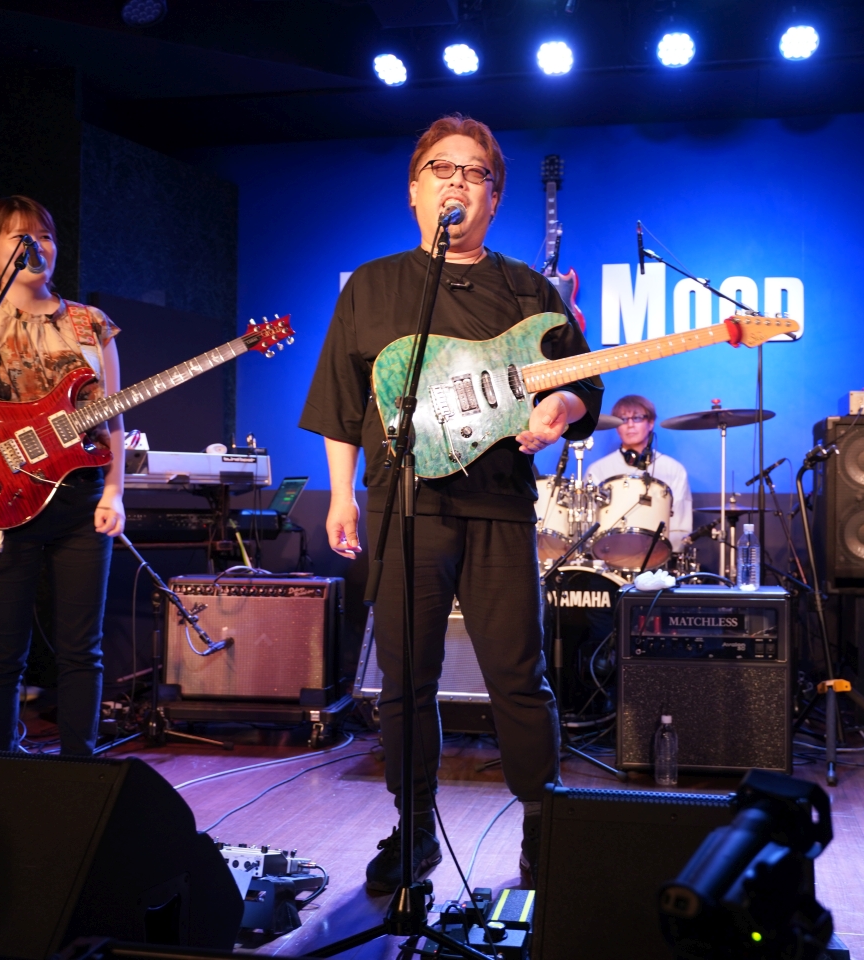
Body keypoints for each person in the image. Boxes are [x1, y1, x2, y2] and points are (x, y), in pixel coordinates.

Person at [300, 115, 603, 893]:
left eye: (475, 172)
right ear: (414, 189)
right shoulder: (372, 286)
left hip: (500, 504)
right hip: (402, 505)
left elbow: (584, 384)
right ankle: (414, 830)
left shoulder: (531, 290)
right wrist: (341, 495)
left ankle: (543, 824)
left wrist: (560, 409)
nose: (457, 181)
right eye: (442, 168)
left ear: (494, 197)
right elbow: (341, 401)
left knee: (519, 676)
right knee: (406, 679)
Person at [0, 195, 125, 757]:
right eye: (21, 237)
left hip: (81, 499)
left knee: (82, 650)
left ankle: (79, 767)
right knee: (0, 654)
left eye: (44, 235)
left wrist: (115, 492)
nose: (37, 246)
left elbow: (112, 415)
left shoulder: (90, 324)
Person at [584, 394, 693, 557]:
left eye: (637, 418)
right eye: (623, 419)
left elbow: (680, 526)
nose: (630, 425)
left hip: (658, 557)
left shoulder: (673, 470)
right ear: (616, 426)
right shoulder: (598, 470)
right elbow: (588, 524)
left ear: (651, 423)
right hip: (608, 555)